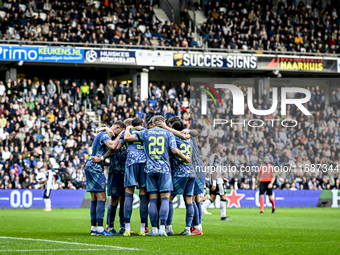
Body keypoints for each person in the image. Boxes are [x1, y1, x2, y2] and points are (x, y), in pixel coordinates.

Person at [124, 115, 190, 236]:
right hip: (164, 170)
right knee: (165, 199)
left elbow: (127, 139)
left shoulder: (146, 133)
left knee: (153, 201)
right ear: (163, 122)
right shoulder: (168, 134)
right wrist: (185, 157)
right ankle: (162, 229)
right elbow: (174, 150)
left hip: (150, 170)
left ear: (153, 123)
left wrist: (127, 129)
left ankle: (153, 229)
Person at [85, 121, 125, 236]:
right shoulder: (105, 135)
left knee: (94, 198)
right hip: (95, 167)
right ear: (117, 127)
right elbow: (112, 146)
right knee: (101, 198)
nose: (116, 136)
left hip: (91, 166)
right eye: (118, 132)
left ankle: (94, 228)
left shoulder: (102, 133)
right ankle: (99, 228)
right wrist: (120, 135)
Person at [201, 143, 232, 221]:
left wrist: (222, 177)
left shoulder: (213, 157)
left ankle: (200, 210)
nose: (223, 148)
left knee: (212, 198)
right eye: (221, 147)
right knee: (223, 196)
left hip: (214, 179)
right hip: (217, 180)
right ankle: (223, 216)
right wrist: (215, 182)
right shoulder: (216, 157)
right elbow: (214, 169)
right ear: (217, 149)